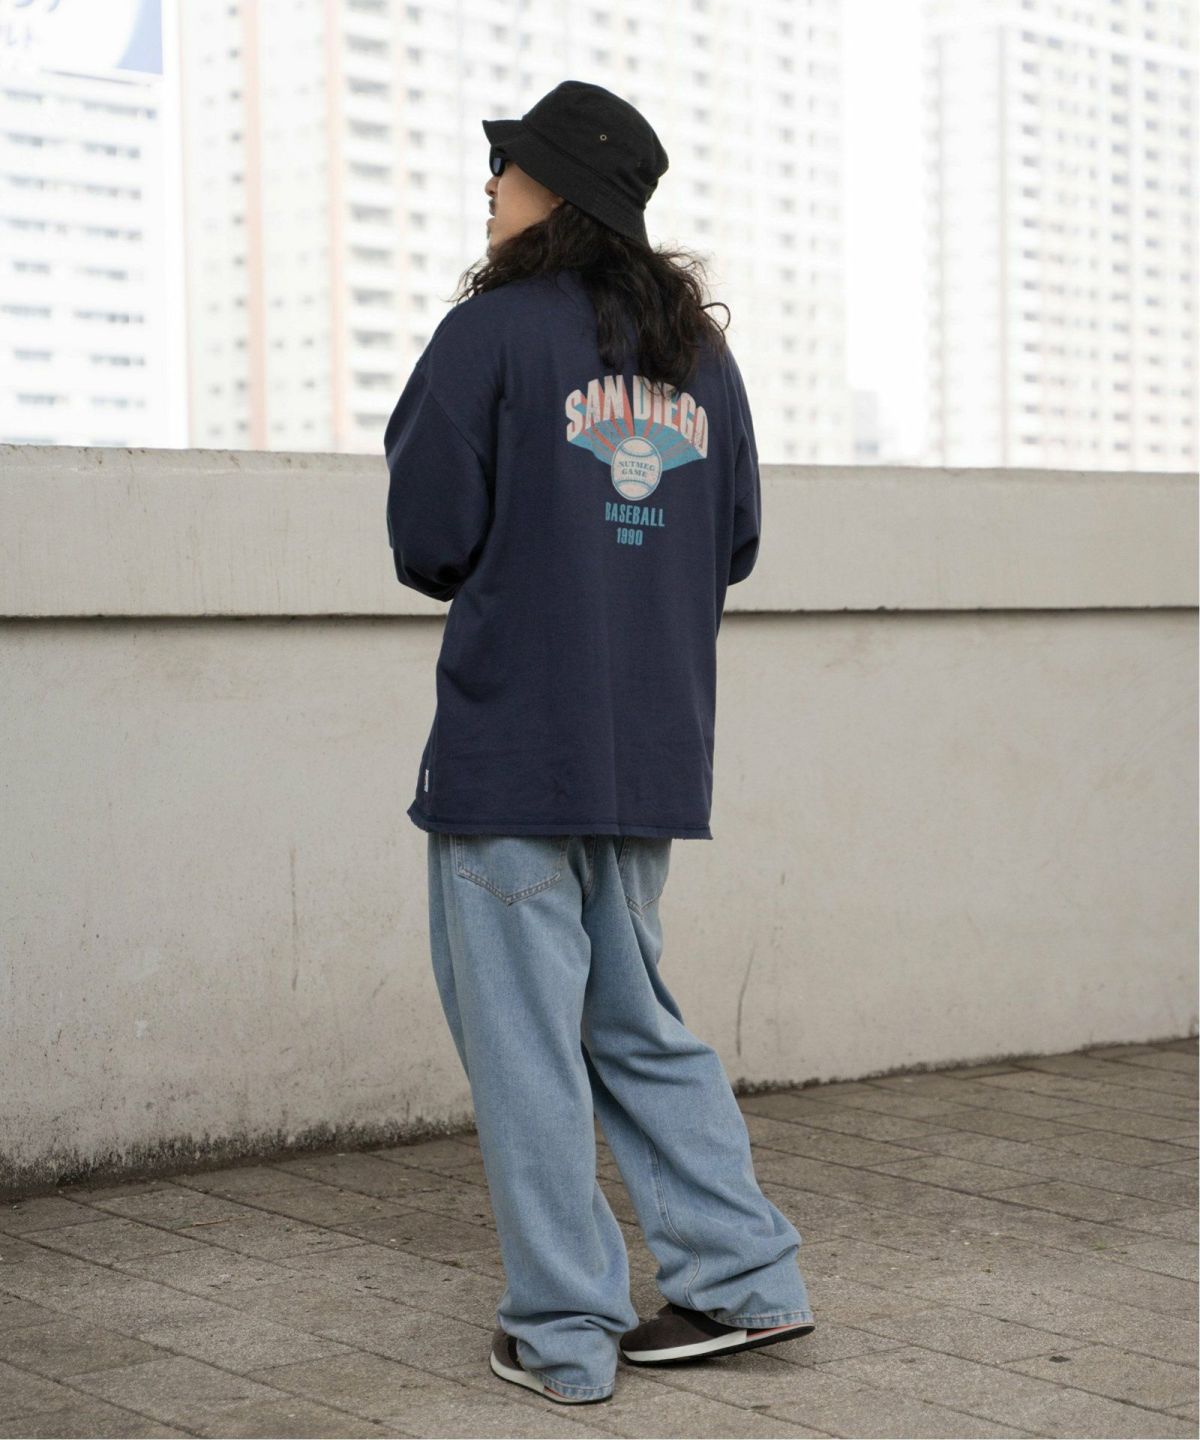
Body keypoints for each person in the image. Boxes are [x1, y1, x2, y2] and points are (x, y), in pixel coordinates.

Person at [383, 79, 815, 1408]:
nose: (490, 184)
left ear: (556, 193)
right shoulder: (701, 362)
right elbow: (735, 541)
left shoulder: (488, 335)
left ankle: (566, 1329)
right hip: (649, 755)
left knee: (526, 1046)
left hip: (515, 749)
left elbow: (428, 540)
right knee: (635, 1026)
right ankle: (743, 1277)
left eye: (508, 166)